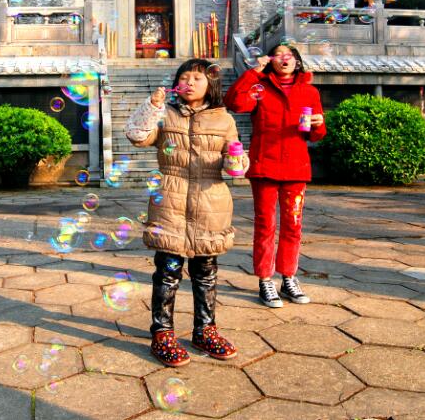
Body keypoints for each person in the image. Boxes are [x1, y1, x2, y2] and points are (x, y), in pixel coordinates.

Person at [125, 58, 248, 367]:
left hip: (211, 202)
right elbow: (137, 135)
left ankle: (205, 330)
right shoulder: (164, 114)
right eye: (184, 77)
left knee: (206, 271)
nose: (189, 82)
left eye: (197, 78)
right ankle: (162, 333)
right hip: (170, 200)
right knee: (168, 271)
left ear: (211, 85)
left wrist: (236, 161)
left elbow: (236, 164)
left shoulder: (224, 119)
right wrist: (152, 106)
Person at [224, 45, 326, 308]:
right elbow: (234, 102)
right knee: (265, 225)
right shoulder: (260, 87)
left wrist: (318, 124)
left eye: (289, 54)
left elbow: (316, 135)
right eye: (278, 54)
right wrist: (253, 72)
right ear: (270, 60)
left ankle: (288, 277)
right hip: (265, 167)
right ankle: (265, 280)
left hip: (296, 168)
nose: (284, 58)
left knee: (293, 224)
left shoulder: (310, 92)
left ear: (297, 62)